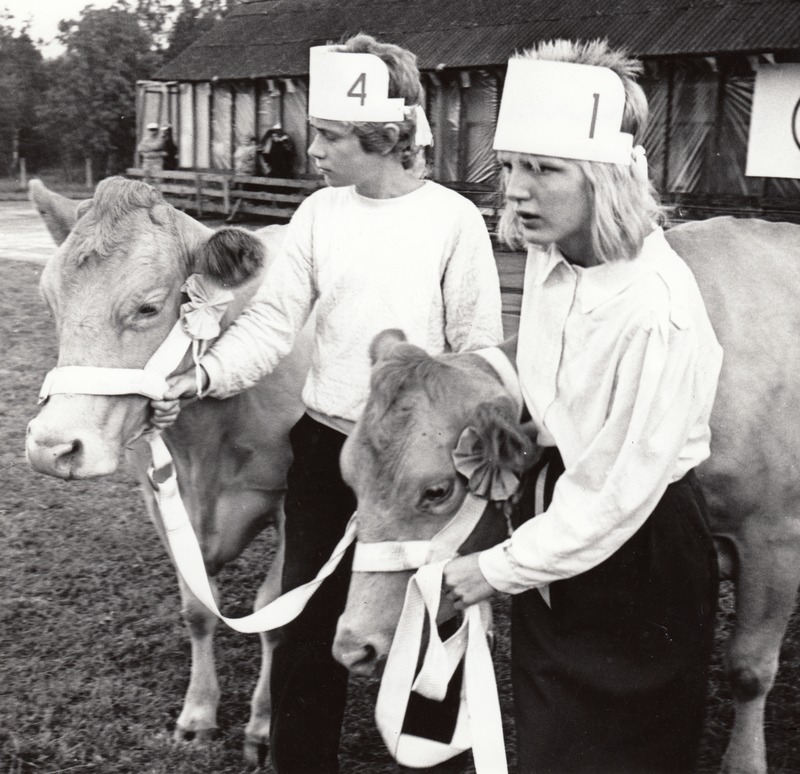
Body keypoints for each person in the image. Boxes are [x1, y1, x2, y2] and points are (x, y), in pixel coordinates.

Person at [151, 34, 503, 774]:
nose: (312, 147)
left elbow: (476, 353)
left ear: (383, 135)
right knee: (310, 630)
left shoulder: (453, 221)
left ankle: (434, 755)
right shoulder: (319, 214)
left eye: (329, 134)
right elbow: (274, 326)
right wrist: (198, 378)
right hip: (325, 449)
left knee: (427, 619)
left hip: (419, 474)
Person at [443, 39, 722, 774]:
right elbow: (564, 393)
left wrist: (493, 569)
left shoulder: (653, 311)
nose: (518, 191)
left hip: (640, 548)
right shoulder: (551, 255)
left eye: (544, 170)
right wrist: (530, 429)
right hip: (559, 522)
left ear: (604, 179)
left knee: (616, 751)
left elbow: (616, 495)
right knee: (549, 737)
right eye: (509, 168)